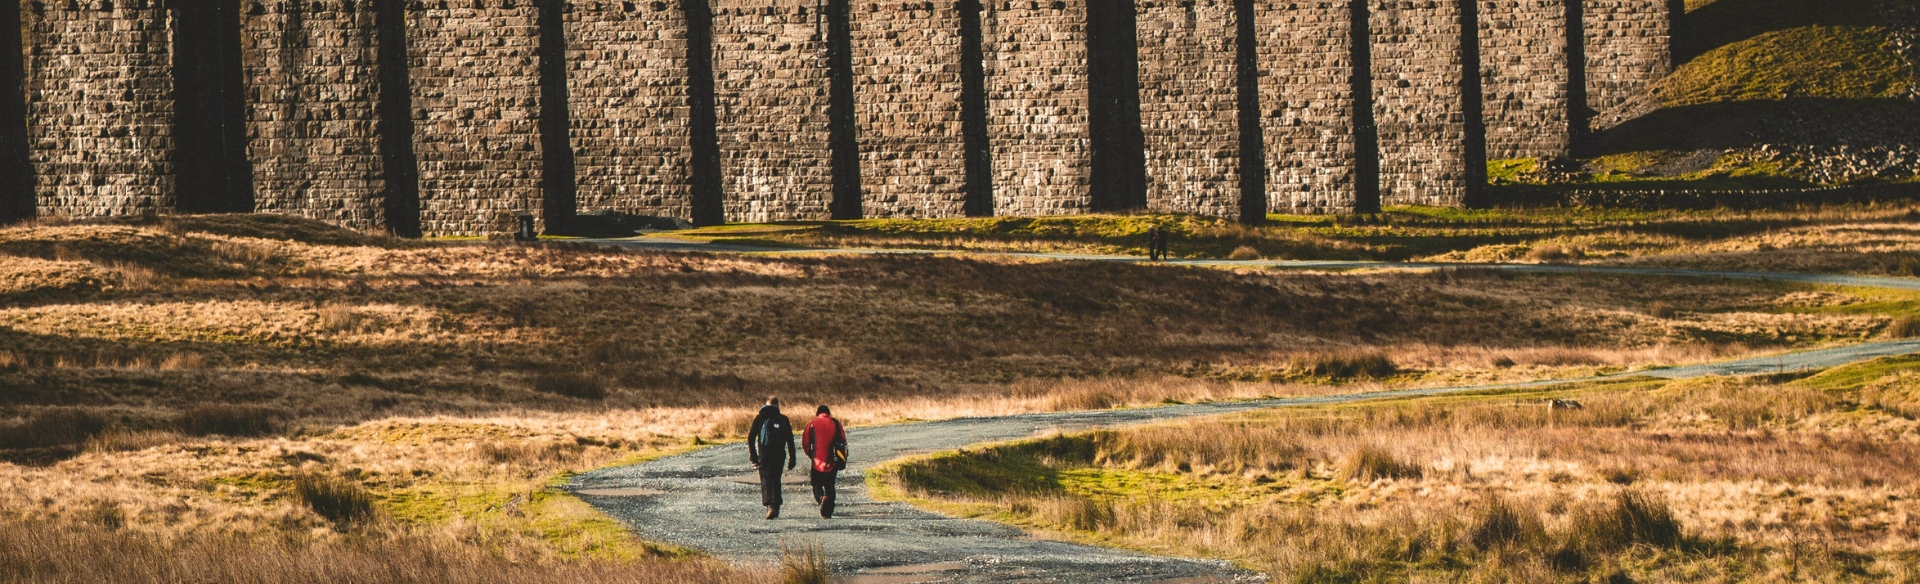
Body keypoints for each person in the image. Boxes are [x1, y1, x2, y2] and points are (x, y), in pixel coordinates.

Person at [746, 396, 795, 519]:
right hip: (779, 454)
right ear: (778, 406)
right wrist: (792, 458)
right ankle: (776, 506)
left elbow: (751, 437)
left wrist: (753, 456)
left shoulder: (760, 418)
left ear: (766, 404)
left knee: (766, 479)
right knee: (776, 479)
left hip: (765, 454)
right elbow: (790, 440)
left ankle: (770, 506)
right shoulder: (783, 419)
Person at [801, 405, 849, 518]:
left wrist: (811, 455)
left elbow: (806, 443)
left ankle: (821, 498)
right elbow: (843, 440)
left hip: (817, 461)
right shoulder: (836, 423)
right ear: (828, 413)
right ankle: (828, 512)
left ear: (817, 413)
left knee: (816, 484)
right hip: (832, 461)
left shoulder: (812, 424)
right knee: (830, 485)